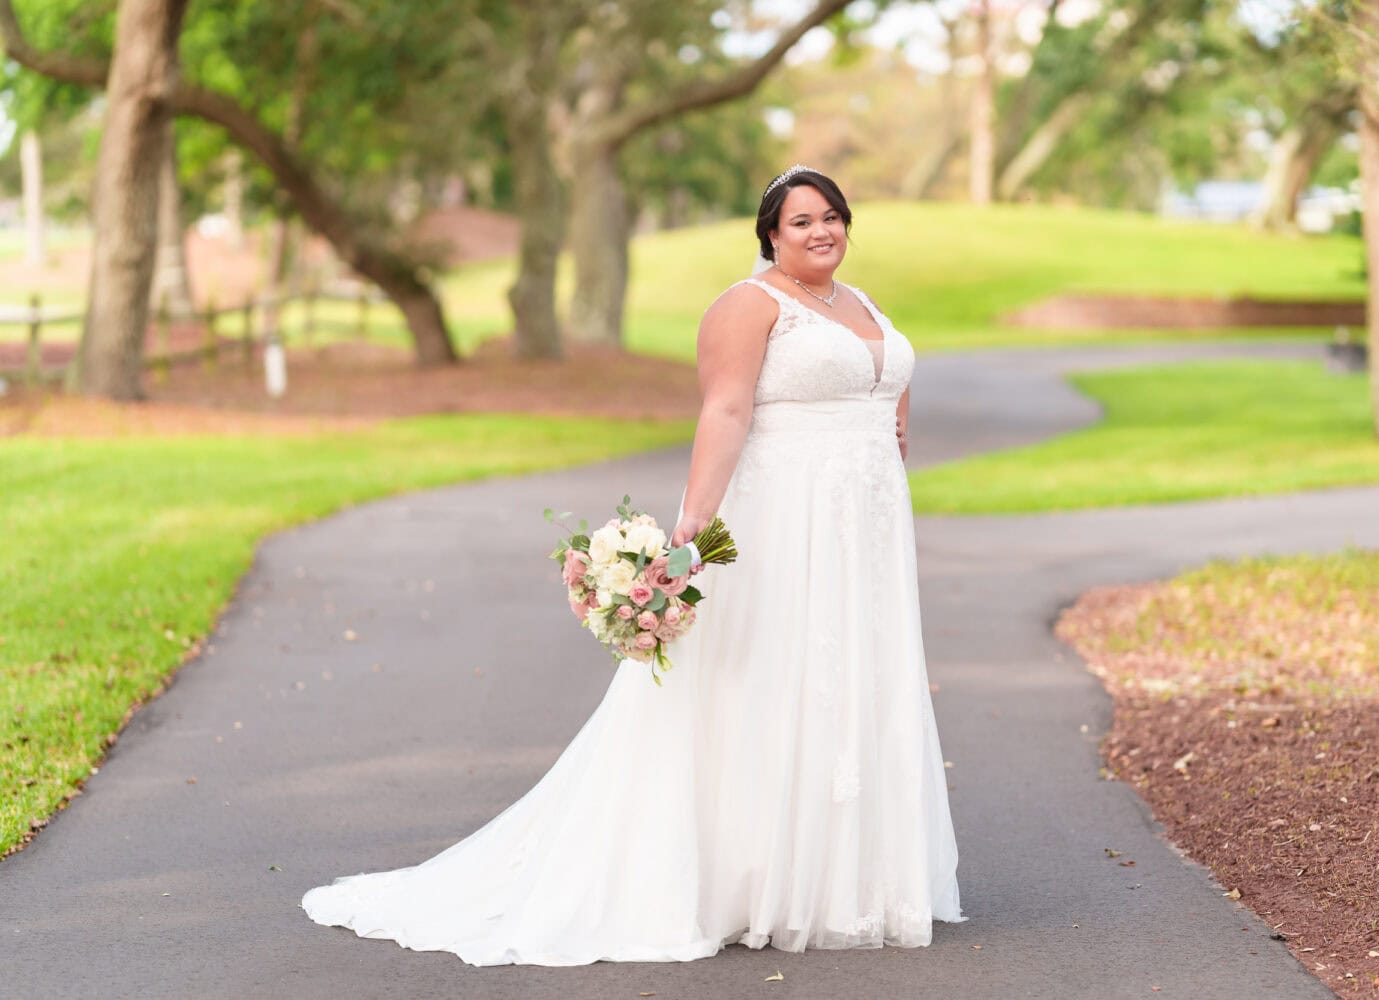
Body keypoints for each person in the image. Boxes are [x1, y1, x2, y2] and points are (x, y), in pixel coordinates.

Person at [301, 166, 963, 966]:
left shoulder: (862, 305)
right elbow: (723, 410)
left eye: (832, 217)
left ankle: (846, 881)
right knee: (769, 676)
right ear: (770, 236)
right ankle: (751, 881)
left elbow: (886, 389)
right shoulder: (749, 306)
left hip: (865, 530)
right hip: (784, 520)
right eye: (801, 222)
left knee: (853, 677)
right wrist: (692, 530)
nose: (821, 231)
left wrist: (890, 436)